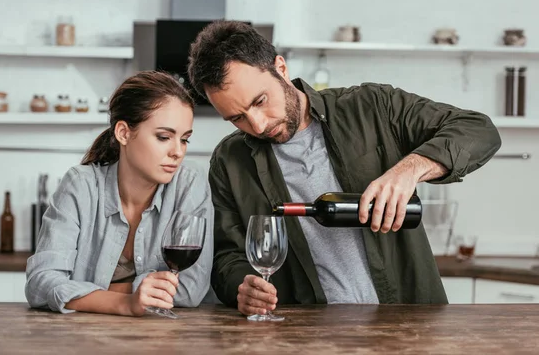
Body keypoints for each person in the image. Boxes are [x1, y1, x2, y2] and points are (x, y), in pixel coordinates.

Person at [187, 20, 501, 316]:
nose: (257, 124)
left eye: (260, 101)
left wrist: (410, 169)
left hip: (409, 328)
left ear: (280, 69)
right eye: (237, 118)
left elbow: (478, 130)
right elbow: (227, 255)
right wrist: (242, 287)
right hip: (306, 340)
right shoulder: (230, 160)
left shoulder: (372, 107)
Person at [25, 71, 214, 316]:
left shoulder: (190, 183)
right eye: (164, 137)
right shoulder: (80, 185)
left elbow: (191, 289)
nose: (178, 151)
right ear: (123, 133)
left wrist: (88, 292)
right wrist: (127, 303)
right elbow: (40, 284)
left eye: (185, 139)